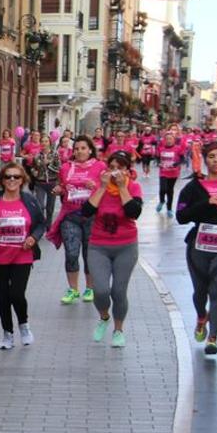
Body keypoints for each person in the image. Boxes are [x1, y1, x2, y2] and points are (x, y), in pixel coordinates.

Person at [176, 141, 217, 355]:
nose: (216, 160)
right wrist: (207, 203)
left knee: (216, 290)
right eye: (211, 156)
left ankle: (213, 338)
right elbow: (182, 216)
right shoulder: (193, 187)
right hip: (198, 245)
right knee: (200, 292)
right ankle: (201, 316)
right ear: (205, 159)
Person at [0, 162, 46, 349]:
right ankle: (7, 333)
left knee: (16, 294)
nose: (11, 180)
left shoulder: (29, 200)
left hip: (21, 255)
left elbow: (41, 223)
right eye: (8, 176)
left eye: (16, 177)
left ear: (22, 180)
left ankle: (24, 325)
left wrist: (33, 237)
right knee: (3, 296)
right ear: (2, 180)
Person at [81, 150, 143, 348]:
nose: (115, 172)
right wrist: (102, 188)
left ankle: (118, 330)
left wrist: (123, 188)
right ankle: (104, 317)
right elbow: (86, 212)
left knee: (118, 291)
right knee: (100, 290)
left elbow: (134, 213)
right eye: (112, 168)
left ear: (127, 170)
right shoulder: (101, 187)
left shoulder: (133, 187)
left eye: (120, 168)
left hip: (126, 246)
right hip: (99, 245)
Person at [49, 136, 106, 305]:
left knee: (90, 254)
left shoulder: (100, 166)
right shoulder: (66, 167)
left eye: (83, 148)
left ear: (90, 150)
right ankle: (73, 289)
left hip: (92, 217)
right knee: (71, 253)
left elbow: (107, 189)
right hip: (70, 216)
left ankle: (90, 288)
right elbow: (62, 186)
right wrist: (59, 189)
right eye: (77, 149)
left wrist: (94, 187)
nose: (79, 151)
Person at [157, 131, 183, 218]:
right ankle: (161, 201)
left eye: (170, 139)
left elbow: (182, 159)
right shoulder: (161, 148)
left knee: (170, 191)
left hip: (173, 173)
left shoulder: (178, 148)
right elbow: (157, 158)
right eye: (167, 139)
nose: (168, 140)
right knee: (163, 189)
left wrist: (176, 164)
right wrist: (158, 163)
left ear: (174, 140)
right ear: (164, 140)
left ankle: (169, 209)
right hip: (163, 172)